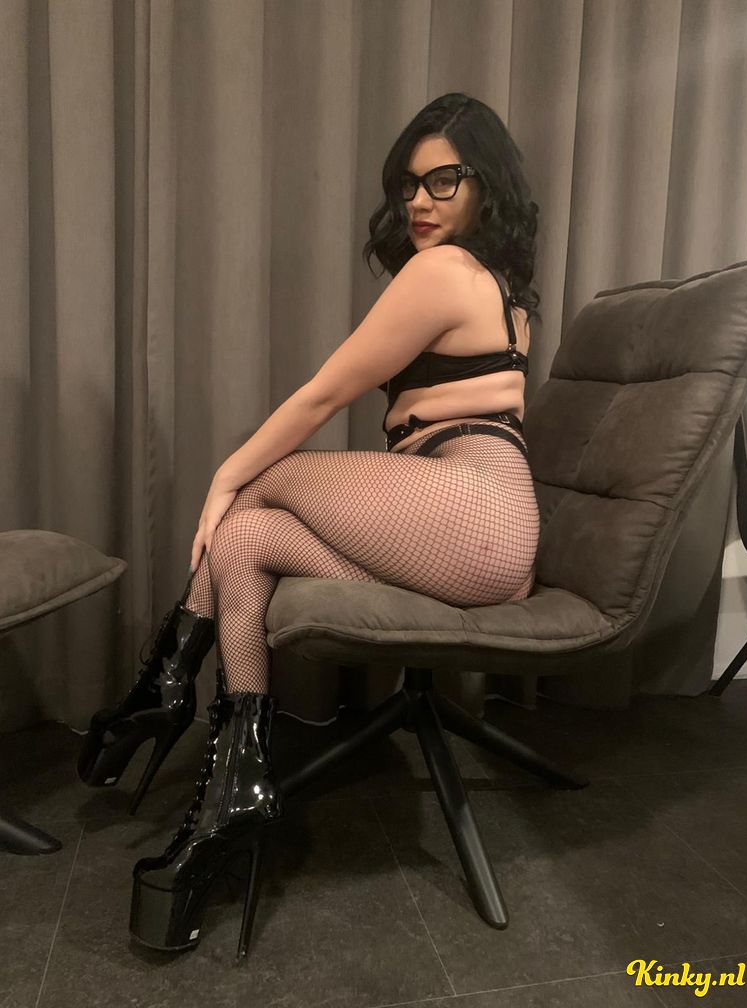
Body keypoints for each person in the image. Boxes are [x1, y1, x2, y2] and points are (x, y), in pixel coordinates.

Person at [76, 91, 542, 957]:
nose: (419, 200)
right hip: (476, 536)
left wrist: (224, 475)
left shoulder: (445, 272)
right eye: (408, 184)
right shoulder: (502, 290)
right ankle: (233, 789)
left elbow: (324, 394)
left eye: (444, 180)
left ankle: (164, 686)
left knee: (258, 485)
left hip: (476, 506)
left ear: (489, 185)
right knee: (246, 541)